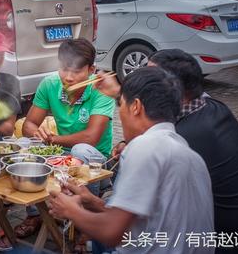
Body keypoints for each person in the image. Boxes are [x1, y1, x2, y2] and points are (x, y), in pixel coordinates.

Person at [48, 67, 214, 254]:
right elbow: (148, 220)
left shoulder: (145, 147)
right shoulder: (189, 152)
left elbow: (113, 232)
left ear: (135, 106)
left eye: (122, 105)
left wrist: (71, 211)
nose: (120, 113)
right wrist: (93, 202)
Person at [147, 50, 238, 252]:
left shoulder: (181, 141)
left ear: (175, 91)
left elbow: (146, 206)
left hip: (229, 243)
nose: (143, 87)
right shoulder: (213, 107)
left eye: (149, 82)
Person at [16, 39, 115, 238]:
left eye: (77, 71)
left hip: (95, 159)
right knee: (25, 144)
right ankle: (35, 213)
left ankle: (88, 218)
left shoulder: (100, 89)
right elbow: (28, 124)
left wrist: (51, 139)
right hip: (62, 152)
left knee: (81, 150)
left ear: (91, 69)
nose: (68, 78)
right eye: (64, 69)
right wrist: (37, 133)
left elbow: (91, 138)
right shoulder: (51, 84)